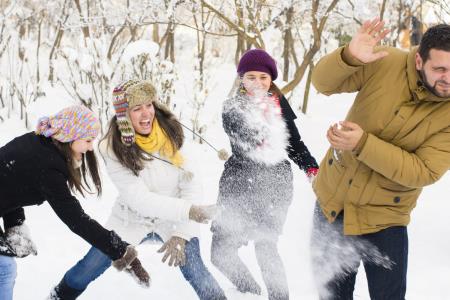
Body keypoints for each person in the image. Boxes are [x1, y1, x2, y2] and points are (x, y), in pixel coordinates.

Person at [310, 18, 450, 299]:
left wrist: (362, 143)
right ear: (419, 61)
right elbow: (321, 83)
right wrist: (348, 58)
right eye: (440, 69)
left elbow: (423, 170)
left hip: (386, 221)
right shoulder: (386, 62)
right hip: (332, 208)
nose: (449, 78)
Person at [51, 80, 227, 300]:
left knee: (196, 271)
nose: (146, 114)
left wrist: (182, 233)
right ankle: (57, 297)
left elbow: (191, 186)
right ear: (124, 115)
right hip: (130, 219)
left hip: (174, 218)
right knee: (90, 266)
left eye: (148, 105)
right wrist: (190, 210)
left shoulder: (174, 134)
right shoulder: (111, 147)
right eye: (137, 108)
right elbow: (139, 199)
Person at [0, 105, 150, 300]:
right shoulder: (48, 166)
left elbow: (9, 184)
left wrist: (15, 226)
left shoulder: (40, 143)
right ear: (70, 136)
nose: (90, 147)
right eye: (88, 140)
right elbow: (77, 220)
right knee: (4, 268)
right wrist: (122, 253)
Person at [210, 49, 319, 300]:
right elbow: (247, 138)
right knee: (220, 252)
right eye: (251, 77)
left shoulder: (279, 103)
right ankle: (250, 292)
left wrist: (312, 169)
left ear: (271, 79)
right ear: (241, 79)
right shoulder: (232, 107)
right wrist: (264, 121)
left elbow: (293, 143)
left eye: (263, 77)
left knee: (265, 246)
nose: (258, 83)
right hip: (240, 182)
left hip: (276, 182)